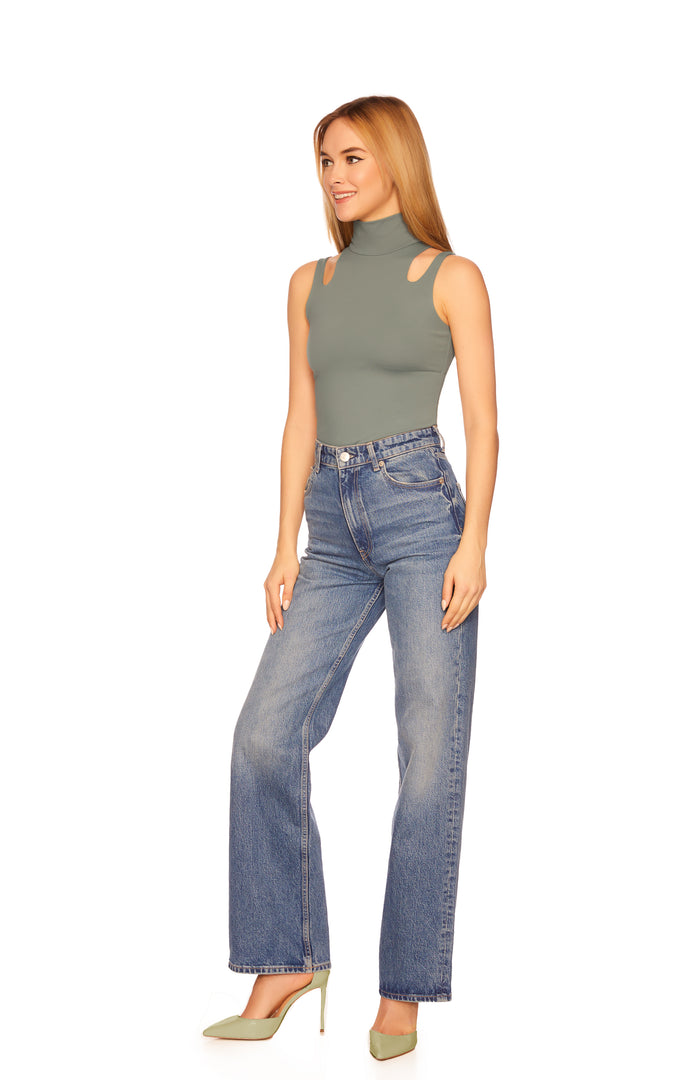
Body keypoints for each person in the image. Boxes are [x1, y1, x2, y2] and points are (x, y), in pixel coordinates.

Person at [202, 95, 498, 1061]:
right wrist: (284, 542)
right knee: (262, 736)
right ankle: (286, 959)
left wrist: (474, 544)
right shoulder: (309, 282)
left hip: (422, 514)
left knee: (428, 754)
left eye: (353, 157)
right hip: (329, 526)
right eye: (325, 159)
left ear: (397, 161)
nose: (335, 175)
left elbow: (486, 426)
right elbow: (299, 414)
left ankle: (404, 988)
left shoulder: (452, 277)